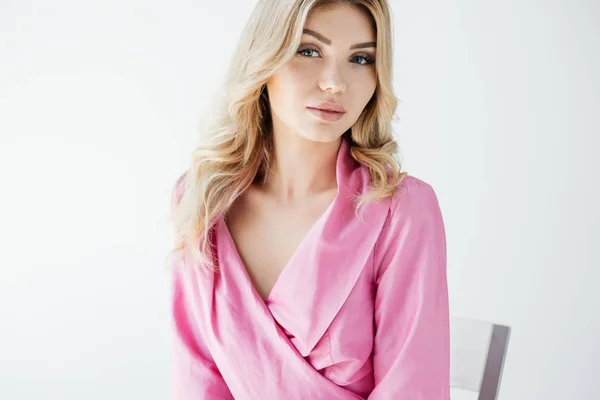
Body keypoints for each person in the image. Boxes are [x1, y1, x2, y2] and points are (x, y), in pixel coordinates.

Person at [168, 0, 449, 398]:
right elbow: (197, 380)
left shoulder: (401, 210)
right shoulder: (202, 200)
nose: (335, 82)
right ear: (264, 58)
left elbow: (414, 388)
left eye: (360, 58)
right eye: (309, 50)